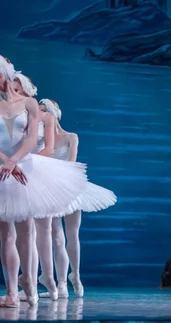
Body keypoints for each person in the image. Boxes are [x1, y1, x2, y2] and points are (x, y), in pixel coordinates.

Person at [0, 55, 88, 307]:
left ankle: (31, 287)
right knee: (6, 234)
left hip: (26, 168)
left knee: (28, 232)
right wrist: (6, 161)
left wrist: (14, 161)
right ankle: (12, 292)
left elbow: (31, 140)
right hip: (3, 168)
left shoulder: (29, 104)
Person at [37, 98, 117, 299]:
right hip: (50, 188)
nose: (41, 116)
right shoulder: (41, 140)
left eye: (44, 111)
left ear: (54, 114)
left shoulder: (71, 136)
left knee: (72, 233)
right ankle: (60, 284)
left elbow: (71, 162)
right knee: (55, 234)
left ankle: (76, 276)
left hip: (69, 185)